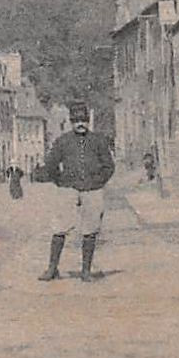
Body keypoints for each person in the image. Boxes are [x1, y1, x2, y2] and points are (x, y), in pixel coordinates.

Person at [37, 101, 116, 282]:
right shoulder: (63, 141)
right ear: (71, 122)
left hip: (92, 190)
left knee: (90, 229)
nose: (80, 124)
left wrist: (98, 182)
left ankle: (86, 270)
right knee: (59, 227)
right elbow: (50, 164)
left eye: (83, 120)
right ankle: (52, 268)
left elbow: (109, 166)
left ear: (88, 121)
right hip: (68, 189)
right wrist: (60, 180)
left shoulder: (98, 141)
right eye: (76, 120)